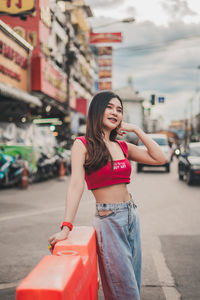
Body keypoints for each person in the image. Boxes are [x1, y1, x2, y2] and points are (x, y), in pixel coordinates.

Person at [48, 91, 167, 300]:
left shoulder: (122, 146)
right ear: (97, 110)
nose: (115, 113)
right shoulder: (83, 144)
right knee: (125, 291)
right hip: (109, 219)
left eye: (119, 110)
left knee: (133, 284)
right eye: (110, 107)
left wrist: (137, 130)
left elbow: (160, 158)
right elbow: (76, 185)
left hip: (132, 215)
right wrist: (66, 227)